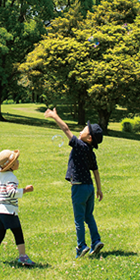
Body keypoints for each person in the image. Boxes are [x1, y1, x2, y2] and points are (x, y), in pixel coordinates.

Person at [43, 108, 105, 258]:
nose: (81, 130)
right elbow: (95, 171)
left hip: (79, 187)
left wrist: (54, 116)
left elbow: (66, 128)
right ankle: (96, 241)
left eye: (84, 130)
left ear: (89, 138)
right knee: (89, 216)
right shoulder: (91, 152)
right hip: (90, 188)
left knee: (79, 219)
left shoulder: (79, 146)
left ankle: (81, 246)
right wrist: (99, 189)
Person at [0, 149, 36, 267]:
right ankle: (23, 256)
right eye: (16, 161)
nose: (18, 162)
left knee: (0, 234)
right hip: (8, 211)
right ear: (11, 165)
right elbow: (11, 192)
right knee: (18, 233)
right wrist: (25, 190)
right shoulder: (11, 177)